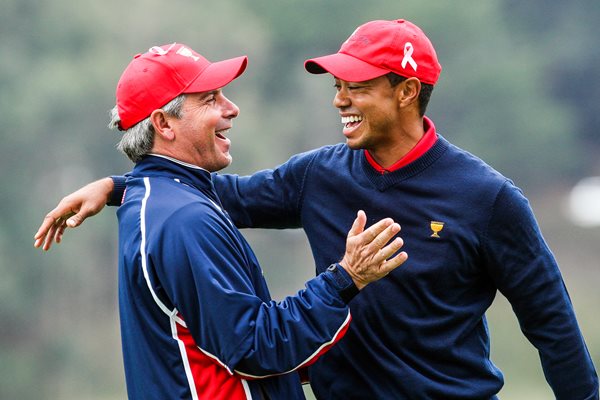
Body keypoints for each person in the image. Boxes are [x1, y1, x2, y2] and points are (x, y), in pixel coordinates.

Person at [34, 20, 599, 399]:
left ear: (406, 91)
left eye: (355, 85)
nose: (338, 99)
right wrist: (113, 186)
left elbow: (553, 326)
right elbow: (216, 196)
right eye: (336, 83)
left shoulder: (489, 199)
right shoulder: (319, 174)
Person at [40, 42, 409, 400]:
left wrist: (112, 186)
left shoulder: (162, 198)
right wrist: (345, 279)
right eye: (210, 99)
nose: (231, 109)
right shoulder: (184, 218)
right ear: (163, 124)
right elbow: (256, 348)